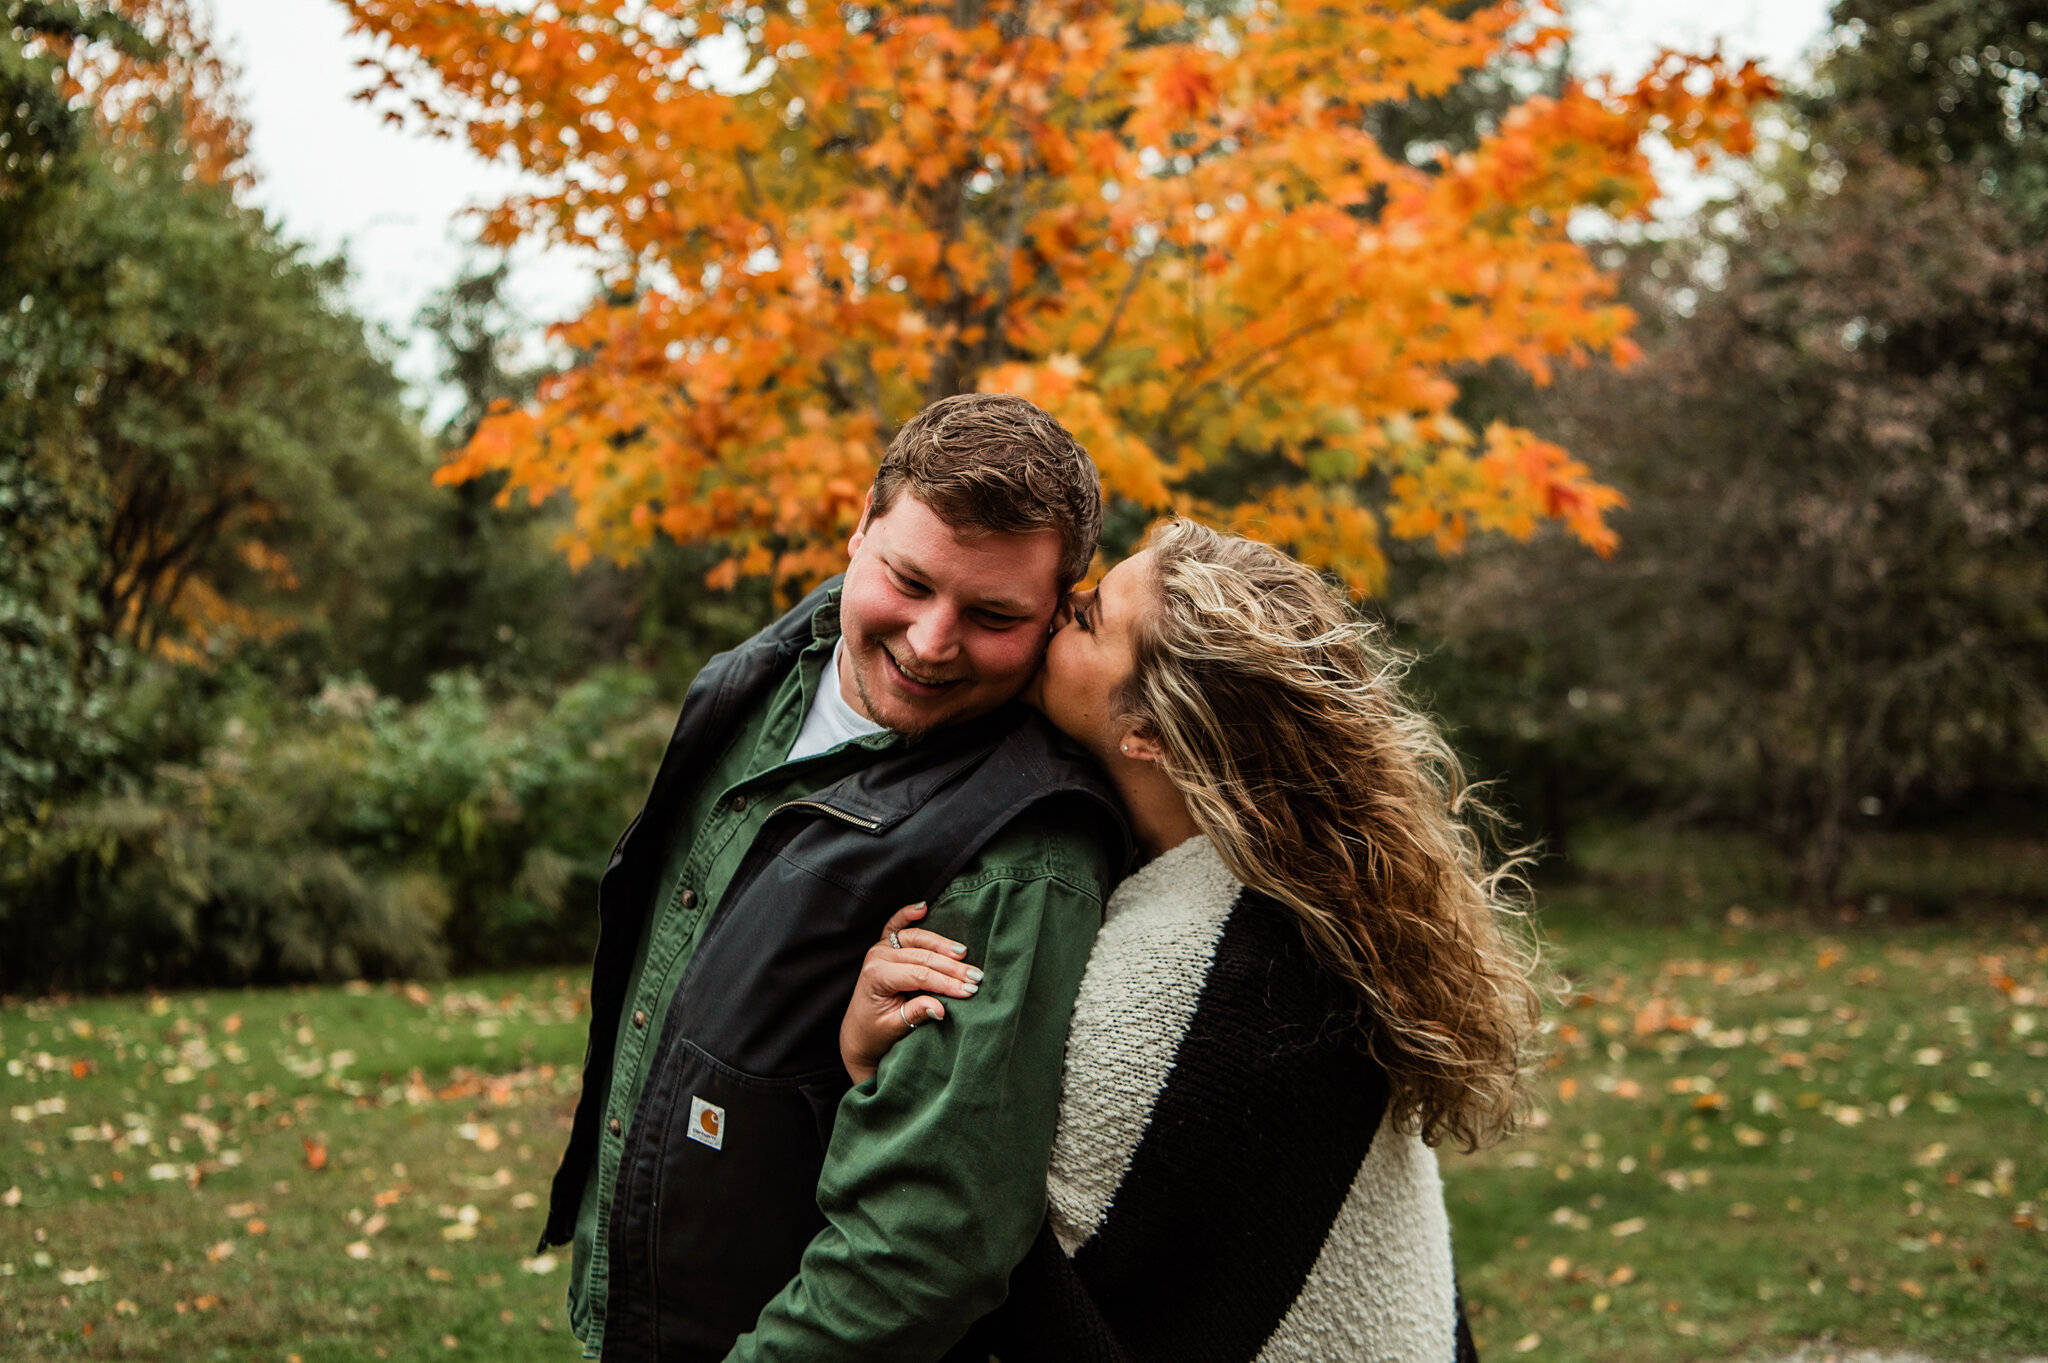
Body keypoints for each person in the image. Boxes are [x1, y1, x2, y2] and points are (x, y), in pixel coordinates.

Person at [843, 518, 1540, 1361]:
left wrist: (877, 1076)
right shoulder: (1308, 891)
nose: (1063, 607)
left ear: (1153, 735)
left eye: (1092, 615)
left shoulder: (1174, 992)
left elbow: (1003, 1299)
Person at [536, 392, 1134, 1363]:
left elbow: (926, 1245)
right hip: (647, 1302)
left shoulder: (1023, 853)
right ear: (859, 527)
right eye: (908, 580)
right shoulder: (774, 664)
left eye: (991, 616)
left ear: (1057, 609)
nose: (932, 641)